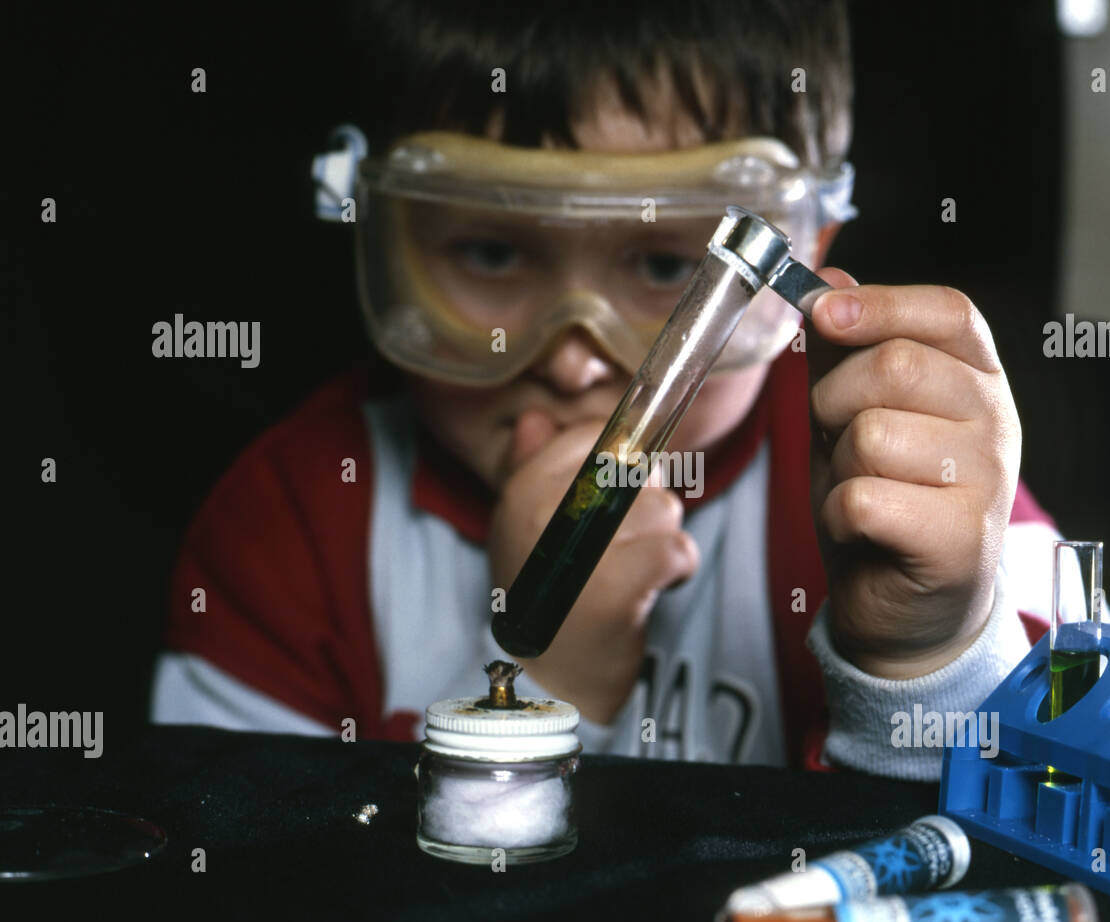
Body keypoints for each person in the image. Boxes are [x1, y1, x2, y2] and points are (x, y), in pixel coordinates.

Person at [151, 0, 1060, 778]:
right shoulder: (288, 530)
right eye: (493, 251)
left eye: (669, 263)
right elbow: (258, 892)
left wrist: (927, 652)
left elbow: (1056, 864)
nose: (576, 360)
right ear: (385, 233)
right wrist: (541, 687)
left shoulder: (902, 486)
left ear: (803, 251)